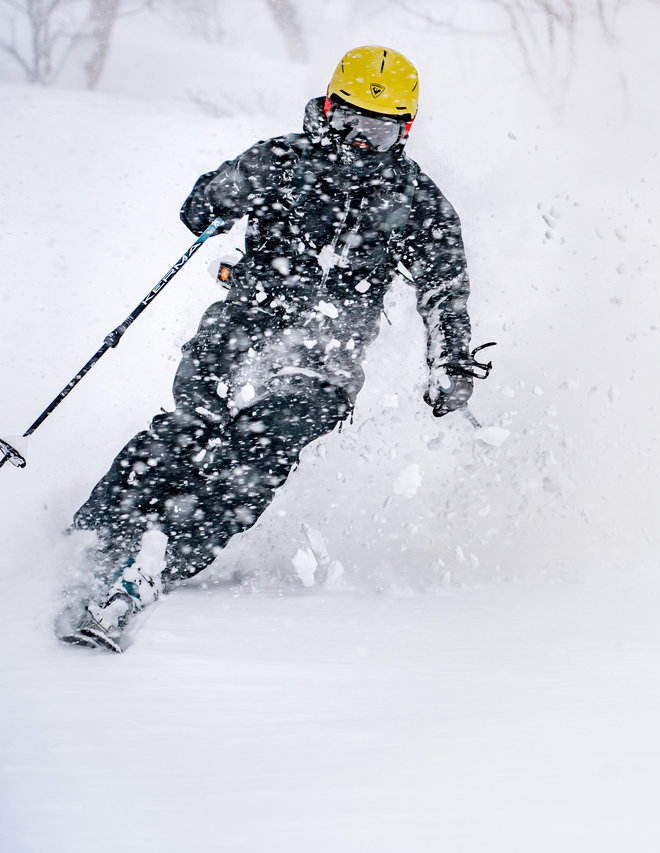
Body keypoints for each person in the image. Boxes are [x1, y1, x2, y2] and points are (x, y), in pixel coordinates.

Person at [58, 45, 491, 652]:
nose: (357, 139)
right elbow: (198, 208)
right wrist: (221, 195)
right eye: (347, 120)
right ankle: (92, 540)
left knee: (257, 452)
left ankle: (158, 564)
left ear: (405, 129)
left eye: (378, 126)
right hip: (241, 327)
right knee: (191, 429)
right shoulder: (282, 159)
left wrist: (450, 360)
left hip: (326, 360)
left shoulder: (415, 202)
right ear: (328, 107)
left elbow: (445, 289)